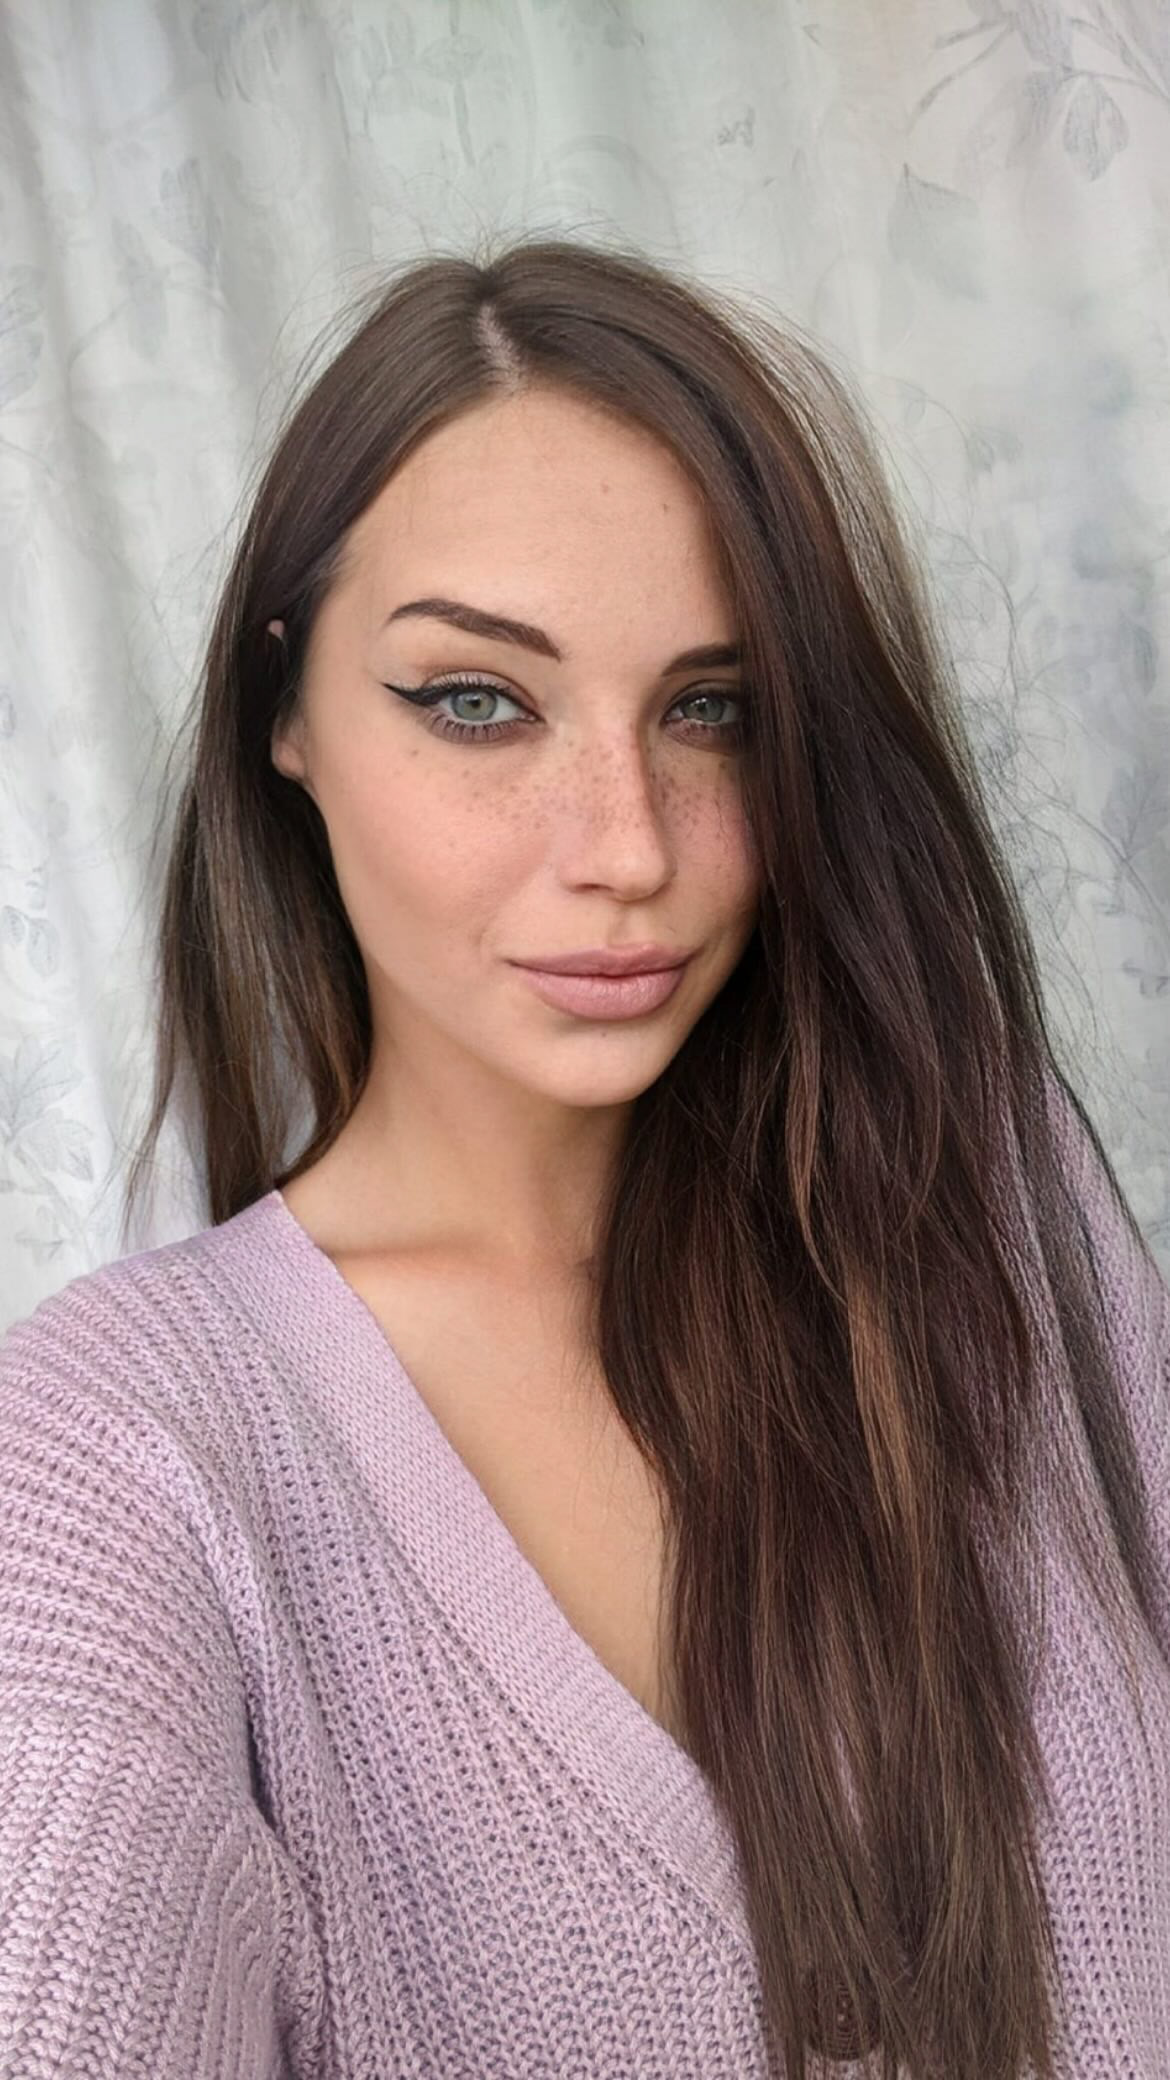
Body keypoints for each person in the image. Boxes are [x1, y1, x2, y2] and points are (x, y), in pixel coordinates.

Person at [2, 233, 1168, 2080]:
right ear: (283, 711)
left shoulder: (994, 1245)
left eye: (713, 710)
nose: (627, 845)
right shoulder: (117, 1455)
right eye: (478, 700)